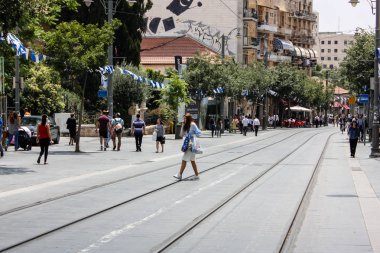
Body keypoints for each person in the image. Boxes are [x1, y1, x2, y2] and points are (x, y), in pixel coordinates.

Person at [173, 113, 202, 180]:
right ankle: (197, 175)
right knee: (192, 160)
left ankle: (179, 174)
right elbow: (181, 135)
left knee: (184, 159)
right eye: (184, 118)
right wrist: (182, 126)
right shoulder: (185, 126)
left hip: (191, 144)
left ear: (188, 119)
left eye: (185, 118)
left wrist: (192, 135)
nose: (184, 120)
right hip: (187, 143)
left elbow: (199, 133)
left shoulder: (193, 124)